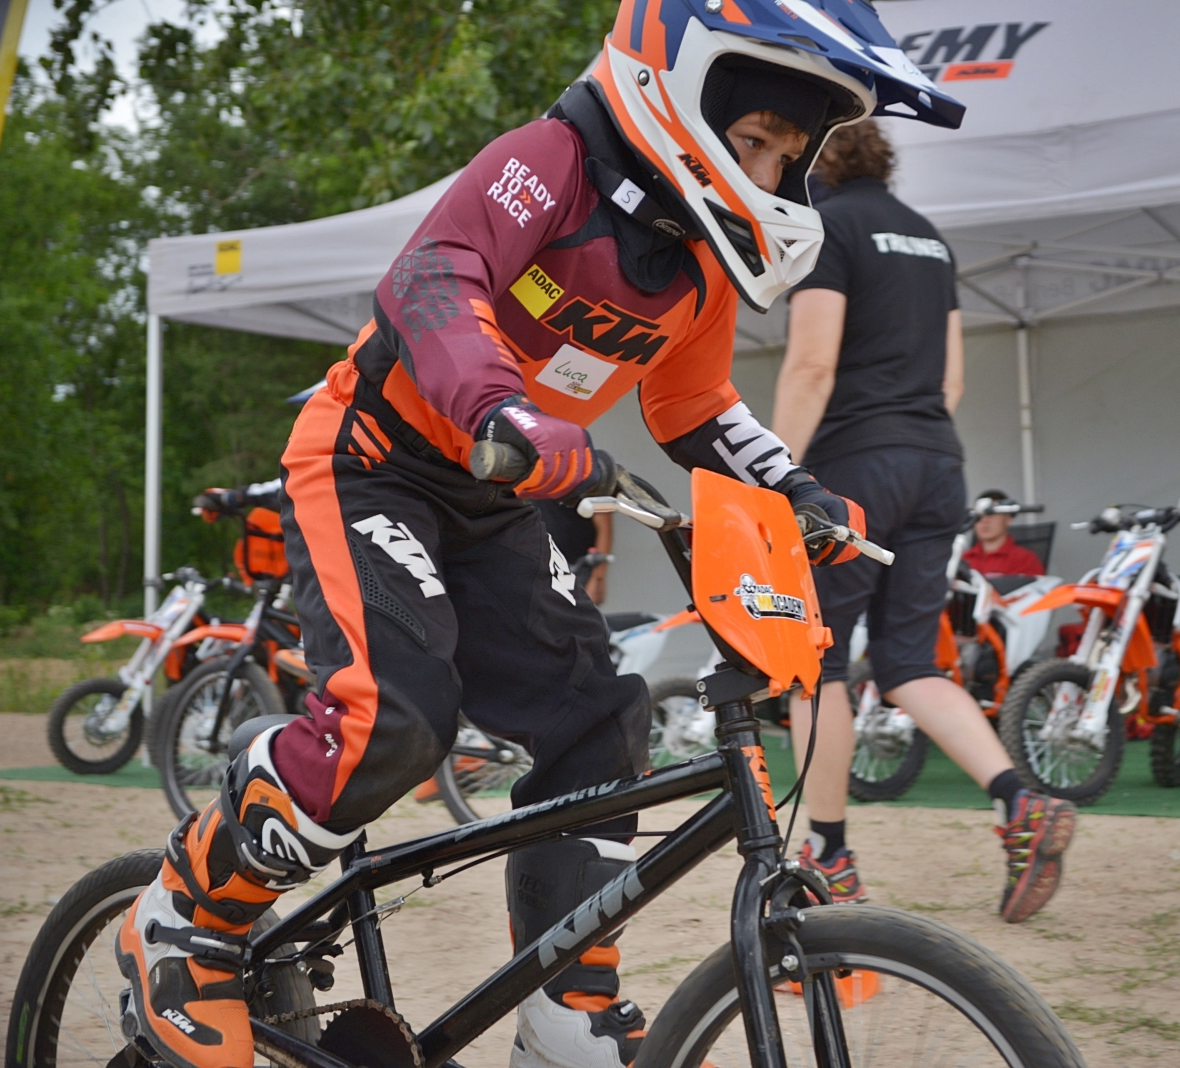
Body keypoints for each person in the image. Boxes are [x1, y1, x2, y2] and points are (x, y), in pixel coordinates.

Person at [112, 5, 964, 1067]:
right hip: (371, 460)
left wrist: (794, 488)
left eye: (785, 155)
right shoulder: (553, 158)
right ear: (683, 90)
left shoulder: (700, 254)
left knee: (600, 726)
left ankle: (567, 1002)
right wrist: (499, 406)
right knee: (392, 724)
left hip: (494, 497)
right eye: (753, 138)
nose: (765, 170)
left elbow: (692, 405)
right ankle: (184, 915)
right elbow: (430, 276)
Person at [771, 120, 1074, 922]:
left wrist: (774, 478)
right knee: (909, 662)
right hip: (938, 463)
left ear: (818, 159)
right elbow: (952, 382)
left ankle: (829, 854)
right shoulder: (930, 239)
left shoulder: (828, 226)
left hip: (854, 465)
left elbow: (812, 365)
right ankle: (1019, 803)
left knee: (816, 664)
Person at [535, 499, 613, 605]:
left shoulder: (588, 488)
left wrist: (597, 577)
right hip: (544, 567)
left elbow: (604, 528)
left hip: (580, 568)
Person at [964, 488, 1045, 577]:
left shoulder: (1025, 559)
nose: (984, 520)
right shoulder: (963, 559)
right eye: (979, 515)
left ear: (1008, 519)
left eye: (992, 513)